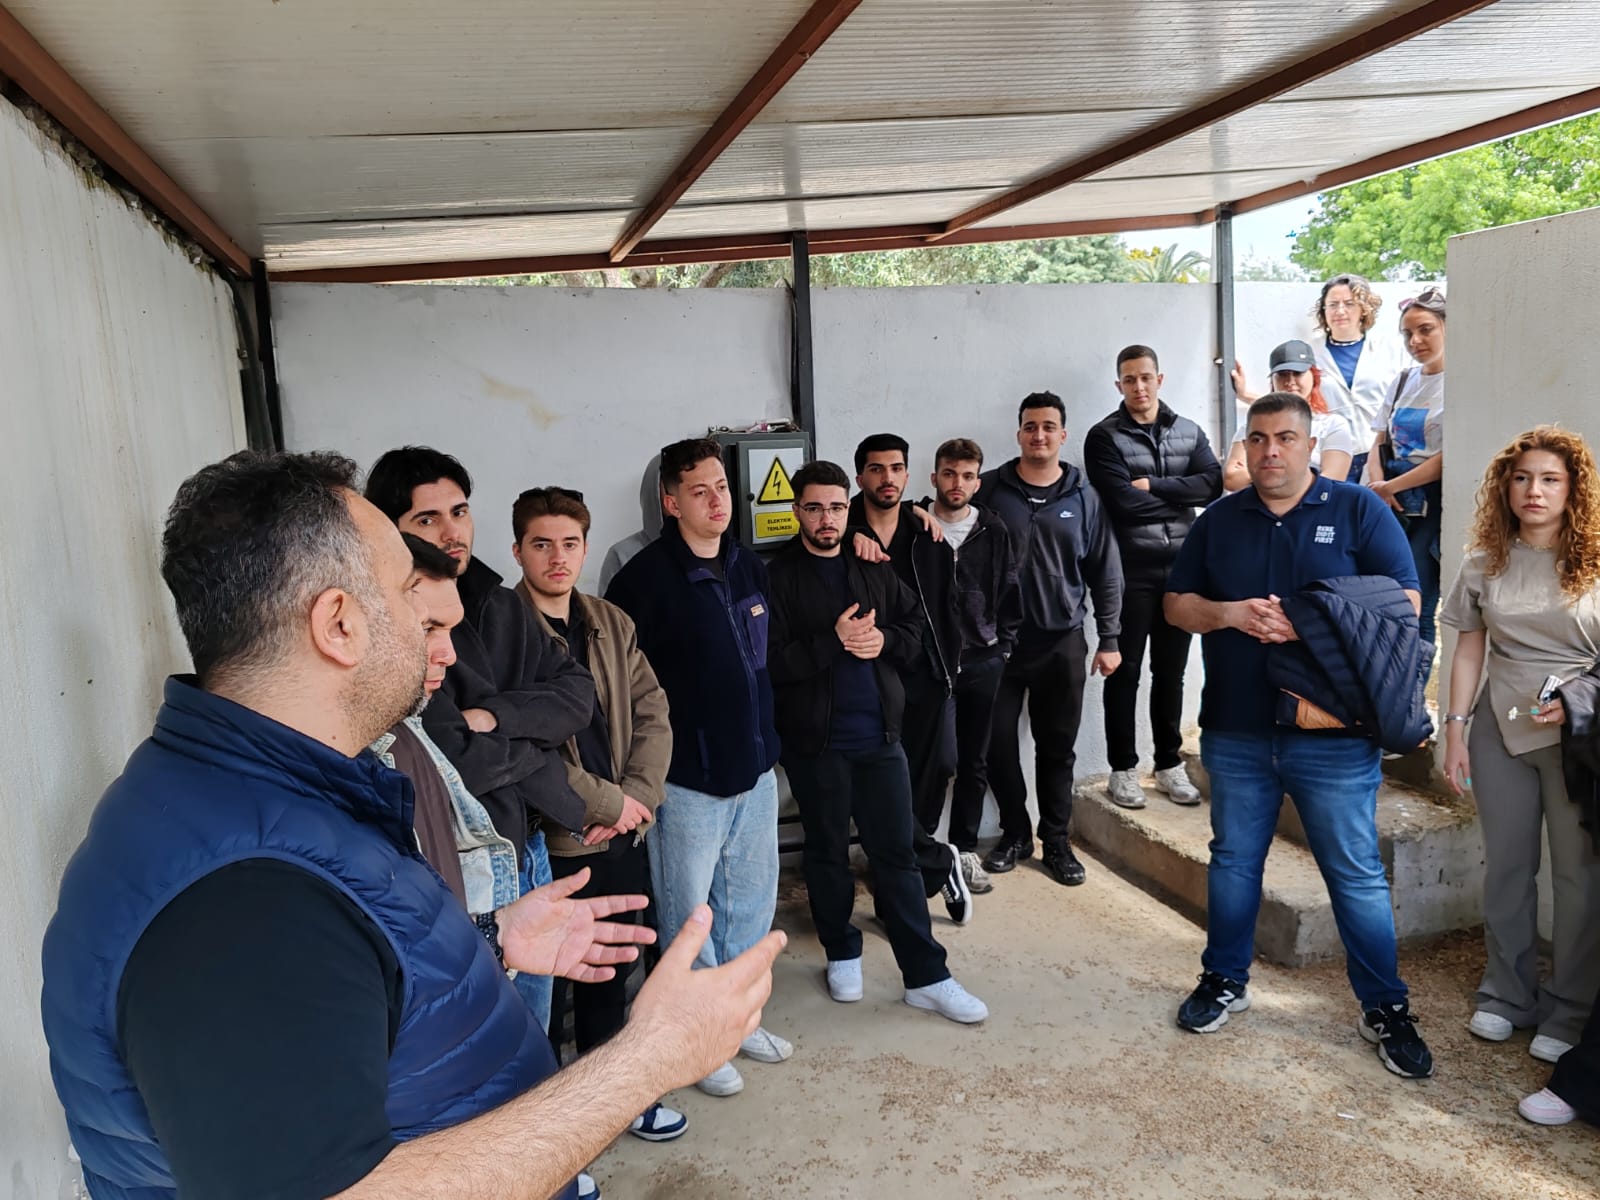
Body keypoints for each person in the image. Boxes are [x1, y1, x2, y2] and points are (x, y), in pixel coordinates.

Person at [40, 450, 785, 1200]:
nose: (447, 646)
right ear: (339, 625)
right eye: (406, 593)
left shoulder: (270, 796)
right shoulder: (243, 901)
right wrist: (644, 1060)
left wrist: (489, 940)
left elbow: (347, 988)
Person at [1164, 393, 1435, 1079]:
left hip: (1334, 734)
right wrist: (1229, 614)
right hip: (1236, 727)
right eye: (1258, 439)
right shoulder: (1220, 519)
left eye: (1286, 437)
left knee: (1355, 874)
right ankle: (1224, 980)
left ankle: (1385, 1006)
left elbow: (1407, 603)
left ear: (1311, 445)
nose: (1271, 451)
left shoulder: (1357, 509)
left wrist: (1311, 620)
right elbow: (1175, 605)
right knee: (1233, 863)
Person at [366, 446, 594, 1034]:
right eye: (427, 518)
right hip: (467, 861)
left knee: (537, 1027)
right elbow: (455, 761)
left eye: (460, 512)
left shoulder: (497, 600)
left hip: (530, 841)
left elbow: (577, 694)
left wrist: (494, 715)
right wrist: (538, 737)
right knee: (493, 1034)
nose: (452, 532)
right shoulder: (388, 623)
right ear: (388, 528)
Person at [767, 460, 989, 1022]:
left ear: (849, 509)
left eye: (835, 507)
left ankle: (927, 976)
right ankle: (842, 952)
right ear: (795, 511)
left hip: (881, 739)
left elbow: (916, 632)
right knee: (827, 854)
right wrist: (833, 641)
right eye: (814, 508)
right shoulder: (777, 577)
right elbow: (771, 664)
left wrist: (884, 641)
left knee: (897, 856)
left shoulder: (871, 565)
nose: (826, 519)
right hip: (816, 744)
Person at [605, 437, 790, 1098]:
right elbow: (623, 693)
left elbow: (762, 661)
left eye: (722, 488)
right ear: (671, 502)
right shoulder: (641, 583)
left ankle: (737, 1023)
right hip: (687, 780)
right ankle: (697, 1040)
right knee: (690, 916)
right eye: (700, 491)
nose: (717, 502)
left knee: (749, 905)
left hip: (755, 769)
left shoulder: (747, 565)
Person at [509, 485, 689, 1143]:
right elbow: (524, 747)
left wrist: (636, 798)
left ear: (585, 548)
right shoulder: (500, 633)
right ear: (518, 550)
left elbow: (653, 710)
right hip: (551, 840)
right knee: (545, 988)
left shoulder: (609, 621)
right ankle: (548, 1129)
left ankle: (612, 1103)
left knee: (608, 972)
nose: (558, 558)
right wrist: (611, 803)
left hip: (621, 834)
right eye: (542, 544)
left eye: (570, 544)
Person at [1440, 426, 1600, 1067]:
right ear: (1506, 487)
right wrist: (1455, 729)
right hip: (1498, 727)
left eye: (1550, 479)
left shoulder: (1595, 562)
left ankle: (1570, 1009)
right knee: (1506, 866)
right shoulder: (1484, 561)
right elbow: (1469, 647)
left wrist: (1580, 701)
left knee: (1578, 877)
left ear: (1573, 490)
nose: (1535, 490)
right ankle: (1507, 994)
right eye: (1523, 477)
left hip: (1578, 738)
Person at [980, 391, 1124, 886]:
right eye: (1030, 426)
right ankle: (1015, 834)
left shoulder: (1084, 497)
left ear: (1062, 435)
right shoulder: (989, 490)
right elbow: (947, 523)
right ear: (1018, 433)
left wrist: (1110, 638)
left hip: (1062, 642)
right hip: (998, 646)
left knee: (1057, 749)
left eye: (1048, 427)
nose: (1038, 435)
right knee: (996, 745)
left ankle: (1057, 841)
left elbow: (1106, 571)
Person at [848, 431, 983, 916]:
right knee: (875, 792)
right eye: (877, 469)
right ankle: (934, 863)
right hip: (865, 684)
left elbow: (945, 611)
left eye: (896, 468)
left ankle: (907, 881)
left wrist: (949, 666)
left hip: (923, 677)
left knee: (929, 777)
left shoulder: (928, 537)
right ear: (860, 477)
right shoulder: (841, 533)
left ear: (907, 475)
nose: (887, 478)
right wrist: (848, 533)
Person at [1083, 344, 1220, 810]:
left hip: (1182, 570)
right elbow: (1122, 503)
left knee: (1171, 672)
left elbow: (1212, 485)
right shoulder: (1104, 437)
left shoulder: (1188, 430)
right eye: (1129, 379)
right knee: (1125, 672)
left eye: (1145, 377)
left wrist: (1155, 486)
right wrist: (1182, 498)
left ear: (1159, 379)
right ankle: (1122, 769)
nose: (1138, 387)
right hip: (1130, 569)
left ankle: (1168, 764)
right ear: (1118, 384)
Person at [920, 438, 1021, 881]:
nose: (956, 483)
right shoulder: (916, 525)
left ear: (977, 482)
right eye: (948, 474)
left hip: (983, 660)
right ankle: (923, 849)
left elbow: (1010, 589)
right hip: (933, 664)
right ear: (934, 478)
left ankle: (964, 849)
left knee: (974, 762)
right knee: (936, 761)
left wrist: (1003, 647)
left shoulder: (993, 529)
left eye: (966, 476)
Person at [1368, 287, 1448, 670]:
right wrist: (1377, 487)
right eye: (1408, 333)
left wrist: (1390, 488)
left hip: (1427, 504)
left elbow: (1449, 458)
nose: (1415, 341)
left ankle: (1413, 690)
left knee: (1419, 603)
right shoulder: (1402, 381)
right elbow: (1379, 441)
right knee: (1384, 597)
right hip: (1389, 500)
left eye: (1425, 329)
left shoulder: (1461, 384)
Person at [1307, 273, 1407, 482]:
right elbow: (1292, 397)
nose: (1340, 311)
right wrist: (1245, 395)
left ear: (1364, 309)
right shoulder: (1310, 353)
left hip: (1379, 455)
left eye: (1349, 303)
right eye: (1332, 304)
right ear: (1323, 311)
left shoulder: (1390, 350)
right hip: (1330, 456)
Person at [1226, 339, 1357, 489]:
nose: (1290, 381)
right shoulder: (1250, 427)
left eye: (1298, 373)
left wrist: (1265, 472)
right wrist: (1297, 473)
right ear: (1272, 380)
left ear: (1314, 376)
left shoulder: (1332, 426)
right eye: (1282, 374)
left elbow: (1333, 479)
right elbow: (1232, 479)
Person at [599, 453, 664, 594]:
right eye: (671, 485)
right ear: (654, 492)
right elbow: (607, 608)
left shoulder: (709, 550)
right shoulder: (622, 554)